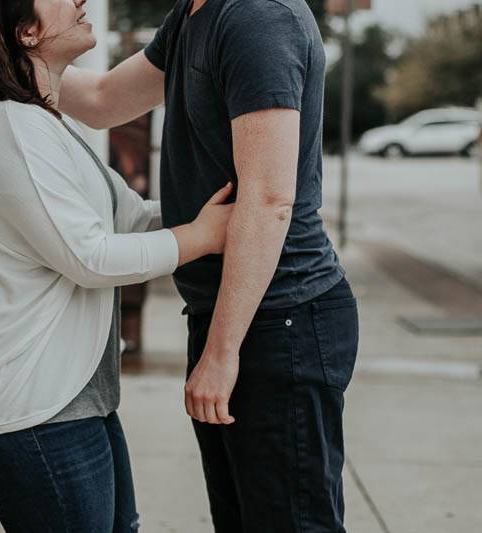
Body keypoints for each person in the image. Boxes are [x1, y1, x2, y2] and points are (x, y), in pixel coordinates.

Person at [61, 0, 360, 531]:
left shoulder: (257, 17)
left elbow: (269, 199)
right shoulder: (194, 14)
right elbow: (104, 100)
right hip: (235, 313)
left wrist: (222, 352)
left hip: (279, 321)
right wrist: (3, 59)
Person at [0, 1, 233, 531]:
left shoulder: (42, 124)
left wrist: (224, 217)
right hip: (28, 407)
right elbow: (92, 256)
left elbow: (129, 219)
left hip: (71, 399)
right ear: (26, 32)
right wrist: (201, 235)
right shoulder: (9, 127)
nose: (78, 0)